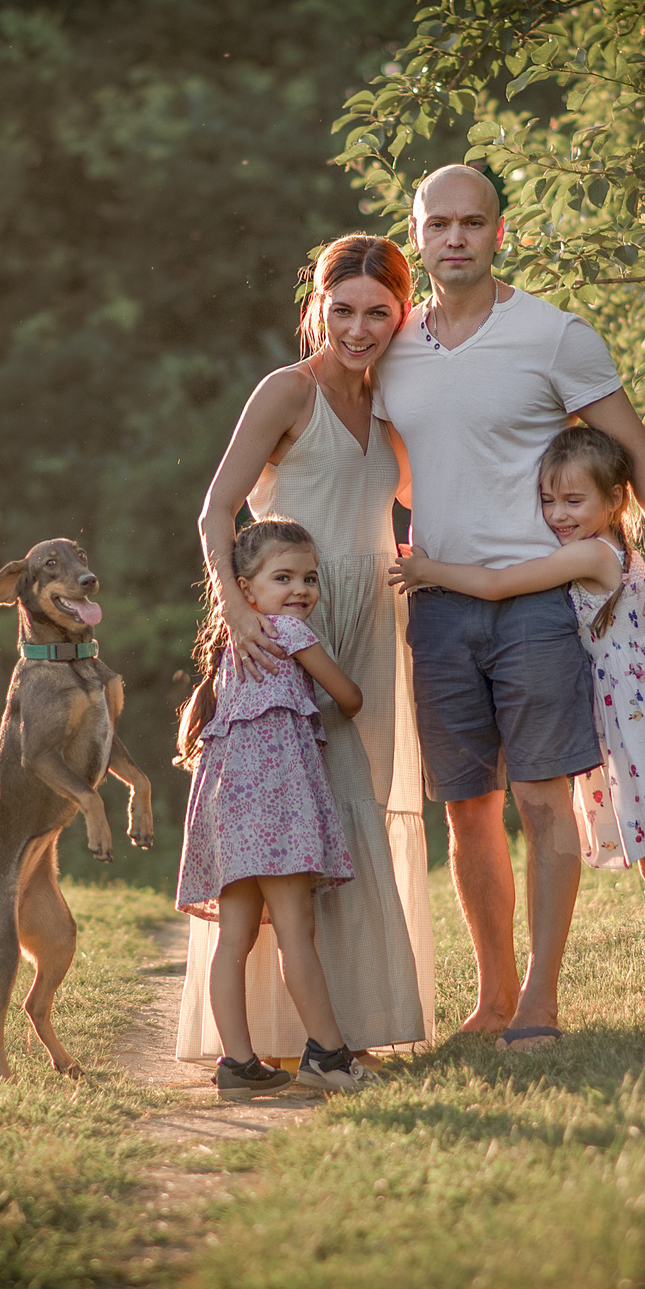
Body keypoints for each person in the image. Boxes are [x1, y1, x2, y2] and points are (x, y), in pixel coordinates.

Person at [374, 163, 645, 1051]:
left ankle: (541, 1000)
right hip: (438, 603)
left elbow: (637, 450)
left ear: (499, 232)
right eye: (438, 224)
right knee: (467, 807)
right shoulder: (393, 346)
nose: (456, 238)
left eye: (472, 223)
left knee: (543, 798)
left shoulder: (554, 336)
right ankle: (494, 998)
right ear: (417, 234)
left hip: (541, 601)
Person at [395, 425, 645, 1024]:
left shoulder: (593, 554)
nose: (558, 514)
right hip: (627, 726)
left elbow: (498, 584)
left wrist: (430, 570)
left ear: (615, 501)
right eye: (548, 500)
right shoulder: (588, 547)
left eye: (574, 501)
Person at [178, 234, 433, 1068]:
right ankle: (285, 1039)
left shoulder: (392, 403)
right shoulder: (288, 391)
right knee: (284, 825)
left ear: (402, 314)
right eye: (342, 311)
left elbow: (421, 491)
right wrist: (235, 609)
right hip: (286, 629)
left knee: (352, 818)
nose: (358, 330)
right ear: (316, 309)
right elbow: (217, 509)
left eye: (378, 314)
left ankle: (347, 1024)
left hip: (371, 622)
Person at [175, 520, 380, 1096]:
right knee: (296, 928)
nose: (301, 590)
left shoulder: (230, 646)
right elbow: (350, 697)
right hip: (274, 803)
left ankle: (237, 1064)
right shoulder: (288, 632)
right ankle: (329, 1058)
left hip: (227, 804)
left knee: (234, 939)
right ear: (244, 589)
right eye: (283, 577)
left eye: (309, 578)